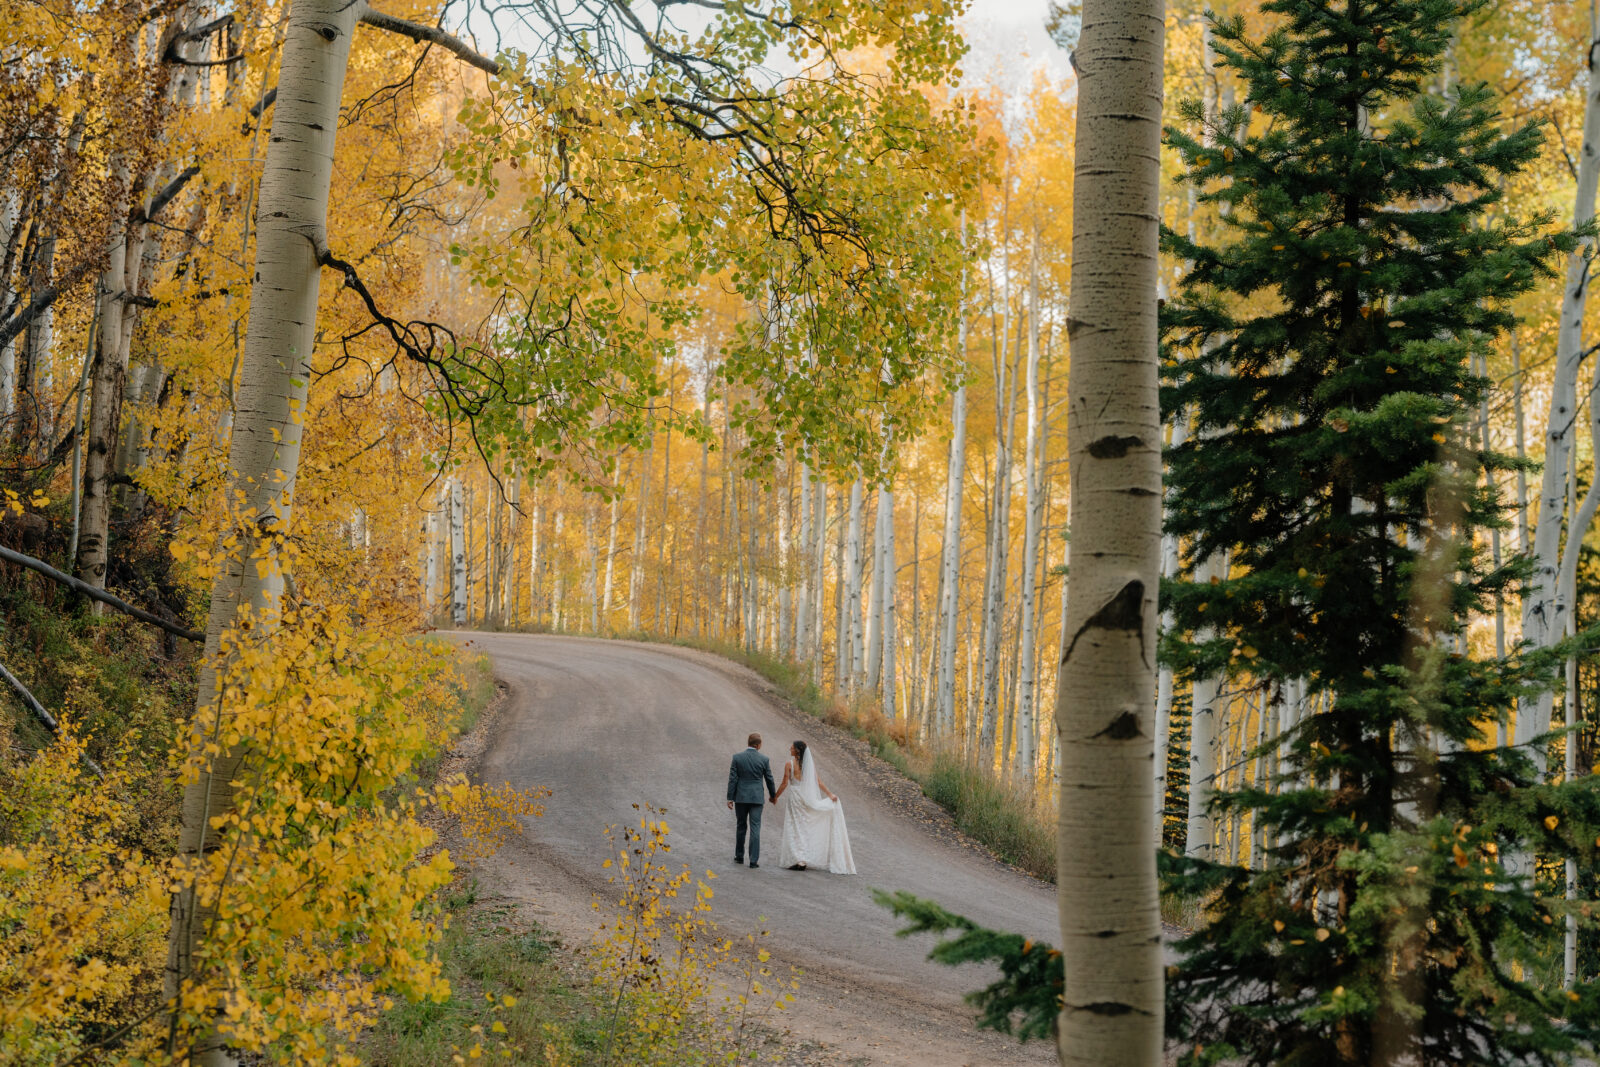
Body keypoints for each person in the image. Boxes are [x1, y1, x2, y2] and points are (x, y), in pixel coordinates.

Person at [773, 740, 856, 874]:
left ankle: (798, 859)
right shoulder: (807, 765)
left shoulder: (789, 764)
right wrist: (829, 795)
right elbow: (818, 781)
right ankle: (803, 859)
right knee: (804, 827)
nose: (790, 748)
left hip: (795, 798)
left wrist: (775, 796)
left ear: (797, 751)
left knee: (794, 827)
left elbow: (784, 783)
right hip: (806, 798)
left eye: (792, 747)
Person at [726, 732, 777, 868]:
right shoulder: (764, 759)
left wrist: (730, 798)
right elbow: (769, 779)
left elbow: (733, 779)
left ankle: (739, 856)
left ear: (748, 743)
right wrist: (773, 795)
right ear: (758, 745)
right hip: (756, 797)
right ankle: (753, 860)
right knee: (755, 827)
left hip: (741, 797)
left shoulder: (737, 758)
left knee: (741, 826)